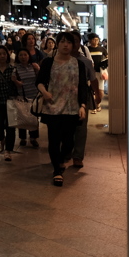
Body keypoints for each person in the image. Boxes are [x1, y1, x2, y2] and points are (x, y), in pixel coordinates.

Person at [36, 32, 90, 187]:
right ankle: (57, 171)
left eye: (69, 42)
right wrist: (45, 93)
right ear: (57, 44)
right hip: (52, 107)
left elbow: (82, 87)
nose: (66, 45)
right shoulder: (48, 62)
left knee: (68, 142)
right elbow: (39, 82)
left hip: (72, 108)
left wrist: (83, 105)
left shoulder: (78, 63)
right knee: (54, 140)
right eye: (63, 42)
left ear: (73, 45)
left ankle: (62, 159)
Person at [69, 30, 101, 169]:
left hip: (83, 96)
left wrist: (97, 94)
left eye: (76, 41)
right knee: (66, 126)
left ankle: (77, 156)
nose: (73, 44)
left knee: (81, 127)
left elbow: (93, 79)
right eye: (70, 41)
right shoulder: (57, 60)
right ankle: (66, 152)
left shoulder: (86, 61)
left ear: (80, 43)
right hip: (64, 97)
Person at [9, 48, 41, 149]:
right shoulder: (15, 68)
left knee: (33, 118)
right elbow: (13, 81)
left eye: (25, 55)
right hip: (22, 96)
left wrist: (38, 70)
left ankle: (33, 138)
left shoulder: (33, 66)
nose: (23, 57)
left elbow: (40, 78)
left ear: (29, 56)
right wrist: (17, 82)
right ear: (18, 57)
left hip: (34, 95)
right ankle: (22, 138)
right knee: (22, 117)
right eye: (21, 55)